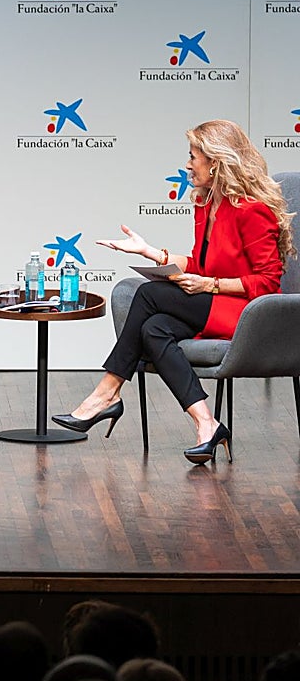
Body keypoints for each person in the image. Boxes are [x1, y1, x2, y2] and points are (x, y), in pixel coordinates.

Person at [53, 119, 295, 463]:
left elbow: (268, 284)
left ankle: (106, 393)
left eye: (193, 156)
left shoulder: (252, 210)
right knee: (154, 329)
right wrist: (150, 253)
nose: (187, 164)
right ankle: (207, 424)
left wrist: (209, 285)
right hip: (215, 304)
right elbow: (200, 263)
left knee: (150, 295)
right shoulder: (206, 205)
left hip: (248, 314)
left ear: (215, 161)